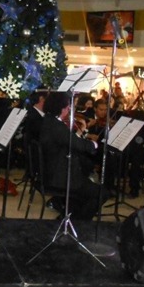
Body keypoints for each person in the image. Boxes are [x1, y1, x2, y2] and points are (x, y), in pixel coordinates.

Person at [38, 92, 105, 220]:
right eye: (68, 107)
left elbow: (71, 141)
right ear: (61, 108)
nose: (69, 110)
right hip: (59, 177)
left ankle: (66, 216)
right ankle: (77, 221)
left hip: (51, 170)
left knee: (86, 183)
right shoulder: (57, 127)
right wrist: (94, 145)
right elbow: (78, 144)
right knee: (101, 193)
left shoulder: (48, 121)